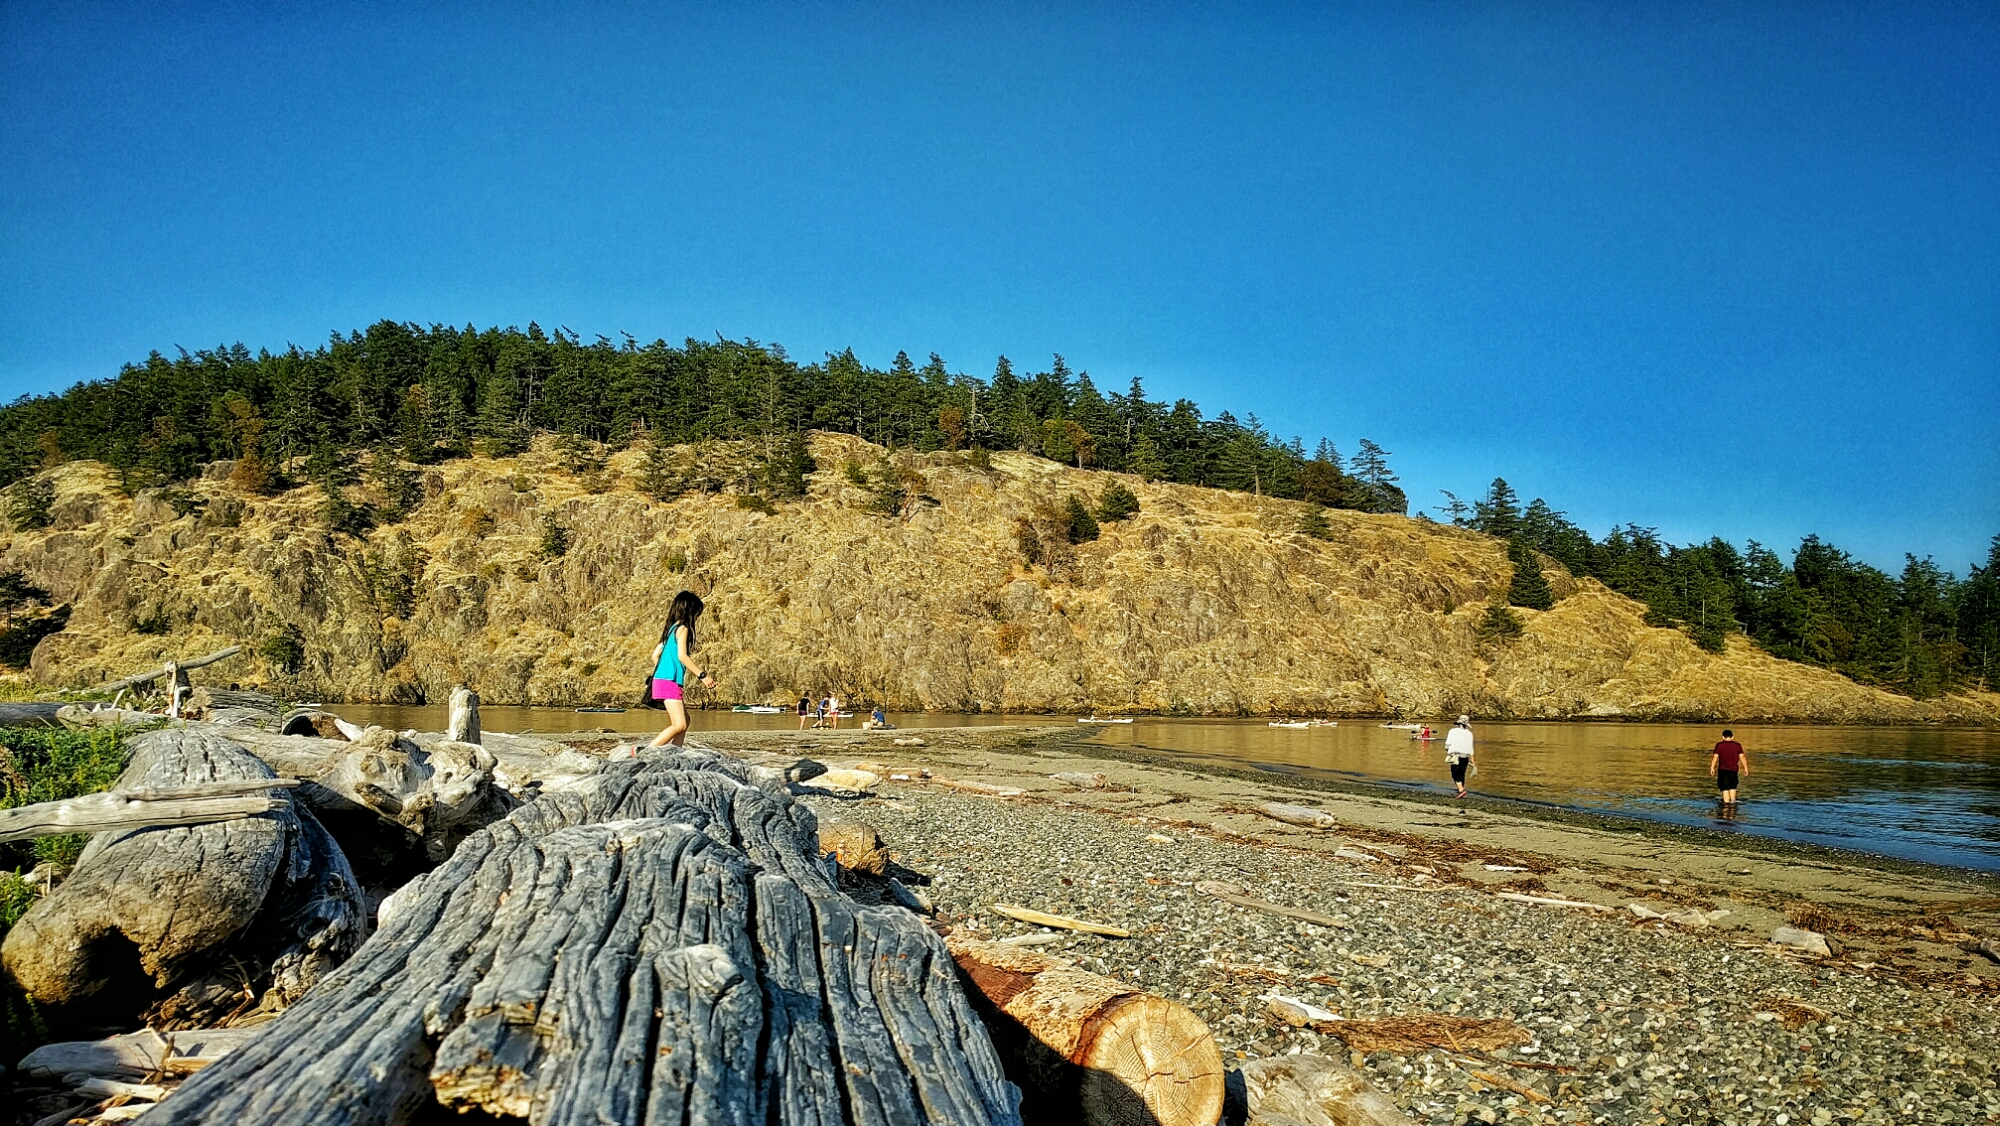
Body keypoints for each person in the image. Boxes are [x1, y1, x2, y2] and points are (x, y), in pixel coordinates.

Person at [647, 591, 716, 748]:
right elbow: (682, 656)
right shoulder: (683, 629)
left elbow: (655, 655)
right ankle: (644, 752)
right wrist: (703, 676)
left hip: (661, 680)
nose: (696, 617)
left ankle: (675, 751)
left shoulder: (670, 629)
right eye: (696, 613)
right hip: (669, 681)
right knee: (679, 725)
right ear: (690, 610)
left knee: (685, 721)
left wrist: (662, 672)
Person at [1711, 729, 1747, 804]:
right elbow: (1742, 757)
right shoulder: (1737, 745)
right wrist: (1745, 768)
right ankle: (1733, 802)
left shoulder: (1719, 745)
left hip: (1723, 769)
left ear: (1723, 737)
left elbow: (1715, 757)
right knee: (1733, 786)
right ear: (1732, 737)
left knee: (1725, 788)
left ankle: (1726, 804)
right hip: (1734, 770)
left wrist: (1712, 768)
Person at [1444, 714, 1474, 798]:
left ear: (1459, 723)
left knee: (1455, 774)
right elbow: (1470, 748)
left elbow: (1447, 743)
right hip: (1465, 756)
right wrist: (1472, 760)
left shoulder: (1452, 731)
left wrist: (1448, 750)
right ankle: (1461, 791)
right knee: (1462, 774)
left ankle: (1461, 790)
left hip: (1455, 756)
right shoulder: (1469, 734)